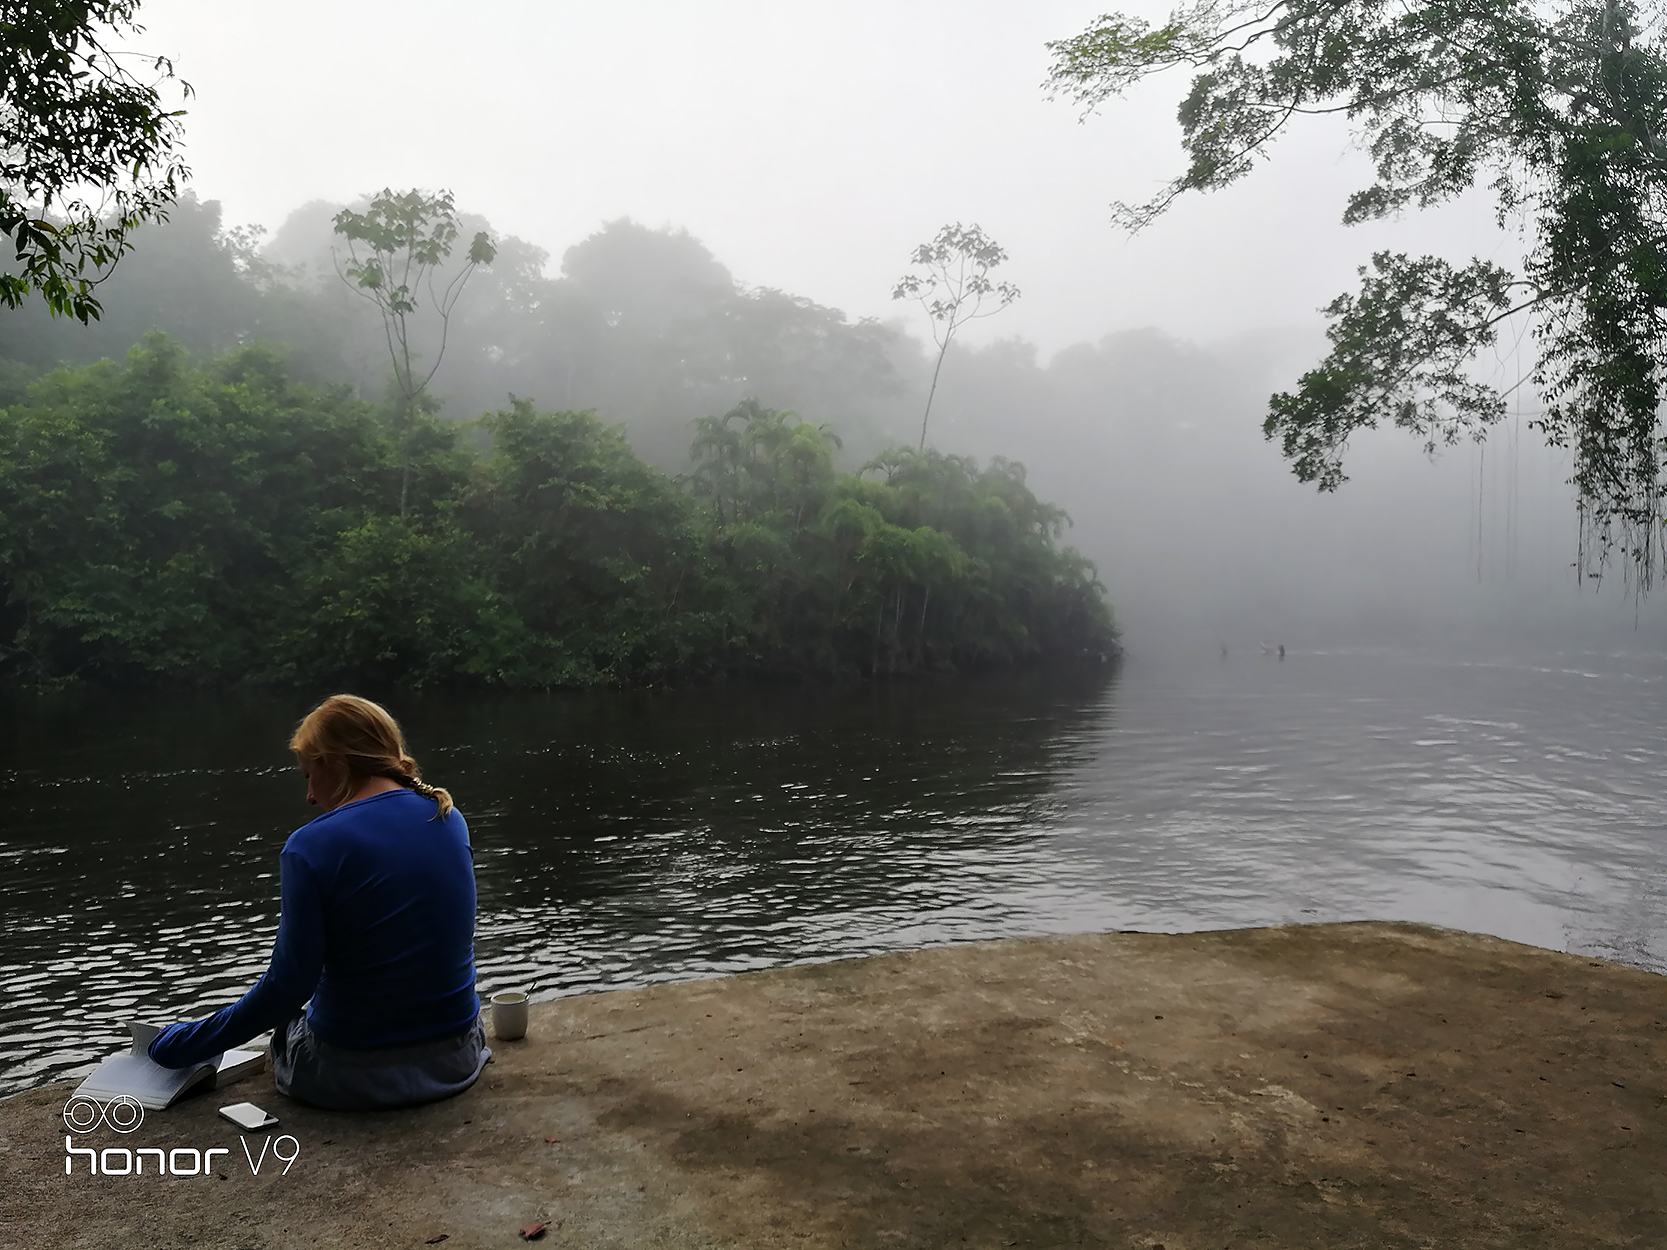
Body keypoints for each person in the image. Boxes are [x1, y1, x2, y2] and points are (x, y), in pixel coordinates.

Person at [147, 694, 490, 1109]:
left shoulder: (310, 846)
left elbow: (285, 990)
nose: (310, 796)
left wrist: (180, 1045)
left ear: (336, 763)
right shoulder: (449, 817)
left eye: (309, 775)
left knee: (291, 1021)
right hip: (457, 1057)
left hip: (352, 1076)